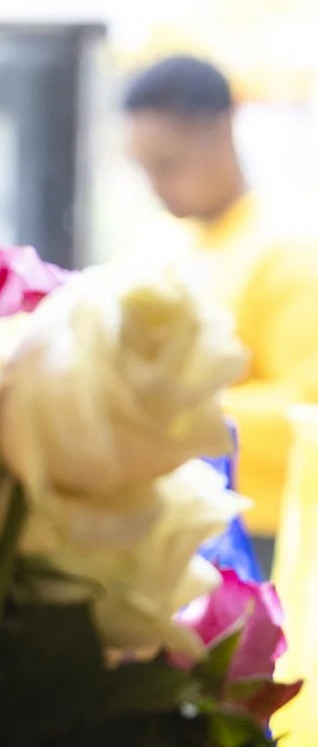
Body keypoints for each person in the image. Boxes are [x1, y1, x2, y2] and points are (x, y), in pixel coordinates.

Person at [124, 54, 318, 553]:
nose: (158, 188)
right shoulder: (171, 247)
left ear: (221, 131)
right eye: (144, 170)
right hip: (200, 523)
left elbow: (308, 412)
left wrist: (175, 413)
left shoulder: (289, 254)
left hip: (270, 529)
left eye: (168, 164)